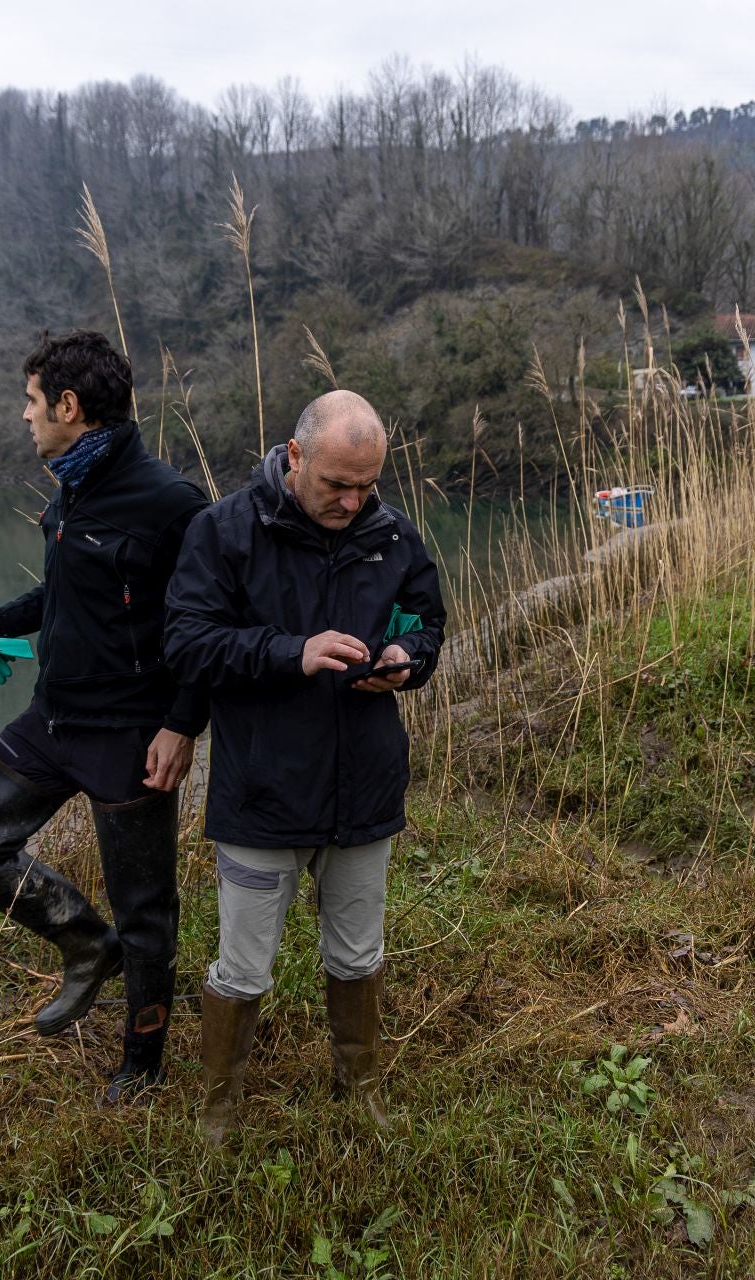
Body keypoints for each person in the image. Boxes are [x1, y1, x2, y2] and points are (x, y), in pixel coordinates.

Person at [0, 329, 207, 1104]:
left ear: (69, 406)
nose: (25, 416)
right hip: (53, 721)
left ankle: (143, 1068)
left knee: (148, 914)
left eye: (31, 401)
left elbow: (207, 621)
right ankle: (87, 943)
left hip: (131, 738)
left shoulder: (171, 504)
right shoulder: (70, 487)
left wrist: (182, 724)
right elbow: (65, 594)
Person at [163, 389, 446, 1143]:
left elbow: (423, 620)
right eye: (335, 485)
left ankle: (361, 1087)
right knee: (243, 967)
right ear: (294, 458)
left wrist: (404, 659)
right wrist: (293, 652)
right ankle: (218, 1107)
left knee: (358, 955)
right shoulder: (223, 532)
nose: (352, 502)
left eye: (366, 485)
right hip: (261, 789)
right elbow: (187, 643)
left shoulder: (393, 537)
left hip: (365, 789)